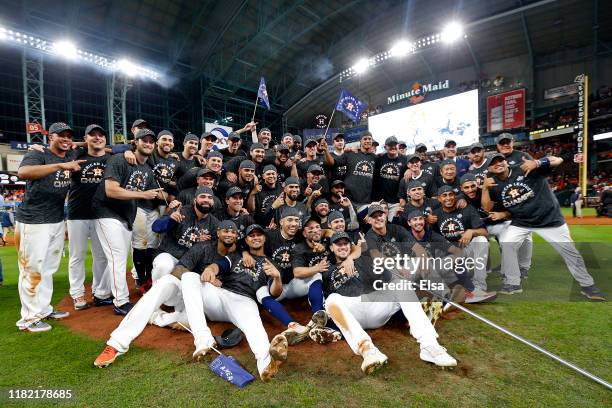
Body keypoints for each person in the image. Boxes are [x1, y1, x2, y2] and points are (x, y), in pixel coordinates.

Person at [93, 220, 238, 369]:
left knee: (184, 320)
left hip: (206, 306)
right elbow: (179, 269)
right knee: (167, 281)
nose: (229, 234)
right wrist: (203, 277)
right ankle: (116, 343)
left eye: (233, 232)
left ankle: (156, 317)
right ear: (218, 233)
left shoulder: (239, 255)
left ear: (238, 236)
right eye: (225, 231)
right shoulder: (203, 248)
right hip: (189, 293)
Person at [322, 232, 457, 374]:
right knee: (332, 300)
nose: (343, 247)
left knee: (400, 284)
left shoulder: (362, 259)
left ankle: (430, 346)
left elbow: (384, 276)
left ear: (351, 246)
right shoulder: (326, 270)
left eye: (346, 244)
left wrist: (372, 262)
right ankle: (367, 350)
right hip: (354, 312)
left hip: (374, 306)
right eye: (339, 244)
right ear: (331, 248)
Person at [482, 153, 606, 300]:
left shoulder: (524, 168)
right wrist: (484, 188)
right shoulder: (493, 183)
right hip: (521, 222)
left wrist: (538, 163)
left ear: (506, 162)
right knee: (507, 244)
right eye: (494, 163)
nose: (499, 164)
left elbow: (558, 159)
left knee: (570, 253)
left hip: (549, 220)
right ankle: (513, 283)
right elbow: (487, 208)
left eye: (501, 160)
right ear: (489, 167)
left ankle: (588, 286)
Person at [180, 224, 290, 381]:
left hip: (245, 300)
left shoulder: (272, 264)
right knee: (188, 277)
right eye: (251, 235)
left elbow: (275, 293)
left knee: (254, 325)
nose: (256, 237)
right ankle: (203, 339)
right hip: (220, 295)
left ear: (264, 238)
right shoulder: (236, 255)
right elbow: (218, 265)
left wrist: (277, 277)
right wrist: (210, 270)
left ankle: (266, 363)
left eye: (259, 235)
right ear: (246, 240)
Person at [15, 122, 85, 332]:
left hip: (55, 219)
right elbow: (24, 172)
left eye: (68, 136)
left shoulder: (70, 154)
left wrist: (72, 148)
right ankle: (28, 318)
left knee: (48, 268)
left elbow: (91, 144)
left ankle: (43, 309)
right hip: (33, 219)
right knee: (32, 268)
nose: (65, 139)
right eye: (60, 136)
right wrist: (59, 166)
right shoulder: (39, 154)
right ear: (49, 138)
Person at [92, 129, 163, 316]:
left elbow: (156, 194)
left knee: (116, 257)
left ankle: (100, 294)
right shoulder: (119, 160)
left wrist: (170, 200)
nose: (148, 143)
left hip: (125, 217)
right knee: (118, 257)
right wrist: (142, 194)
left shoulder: (147, 170)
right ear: (135, 143)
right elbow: (111, 190)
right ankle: (121, 302)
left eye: (151, 141)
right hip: (106, 212)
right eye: (144, 140)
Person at [66, 124, 112, 310]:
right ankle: (77, 295)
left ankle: (99, 292)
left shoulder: (111, 159)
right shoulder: (77, 156)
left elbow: (126, 149)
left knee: (100, 256)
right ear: (85, 138)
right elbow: (59, 152)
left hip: (101, 214)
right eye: (92, 135)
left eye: (101, 135)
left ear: (105, 140)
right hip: (78, 213)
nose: (97, 138)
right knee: (76, 256)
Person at [323, 131, 377, 212]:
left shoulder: (376, 158)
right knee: (351, 223)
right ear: (360, 141)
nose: (367, 141)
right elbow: (332, 163)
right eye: (365, 139)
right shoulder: (350, 154)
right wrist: (326, 150)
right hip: (349, 199)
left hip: (366, 201)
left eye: (369, 139)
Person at [373, 136, 408, 220]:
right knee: (381, 223)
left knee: (393, 224)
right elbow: (375, 180)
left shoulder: (405, 160)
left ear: (398, 146)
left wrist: (409, 169)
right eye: (390, 145)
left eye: (395, 144)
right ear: (385, 147)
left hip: (396, 201)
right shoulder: (379, 159)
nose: (393, 147)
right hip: (381, 201)